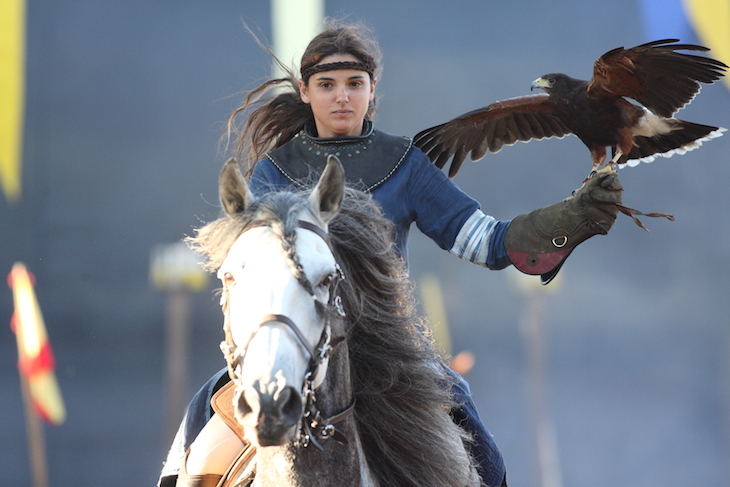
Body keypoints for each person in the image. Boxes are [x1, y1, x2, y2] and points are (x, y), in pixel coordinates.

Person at [159, 19, 623, 487]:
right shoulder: (273, 172)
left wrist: (566, 223)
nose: (342, 96)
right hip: (290, 348)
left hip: (392, 355)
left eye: (353, 84)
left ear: (371, 89)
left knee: (487, 459)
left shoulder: (406, 163)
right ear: (305, 91)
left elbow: (484, 241)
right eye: (327, 85)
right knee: (196, 437)